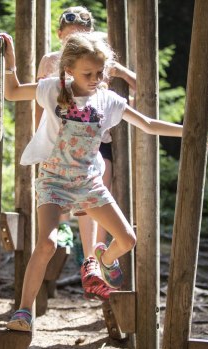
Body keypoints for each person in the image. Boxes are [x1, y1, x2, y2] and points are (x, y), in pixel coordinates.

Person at [0, 31, 208, 331]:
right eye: (88, 73)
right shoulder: (52, 89)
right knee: (46, 244)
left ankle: (104, 260)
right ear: (69, 70)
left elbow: (147, 124)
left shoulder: (108, 101)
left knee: (127, 240)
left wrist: (189, 130)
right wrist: (9, 62)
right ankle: (23, 311)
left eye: (100, 72)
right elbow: (12, 93)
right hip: (54, 180)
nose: (95, 78)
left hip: (89, 183)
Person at [36, 6, 137, 302]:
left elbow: (136, 81)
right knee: (70, 198)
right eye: (69, 37)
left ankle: (96, 258)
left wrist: (130, 91)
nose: (75, 41)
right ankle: (87, 254)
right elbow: (37, 100)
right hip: (62, 139)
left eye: (82, 34)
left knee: (97, 187)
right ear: (59, 37)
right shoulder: (52, 62)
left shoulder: (97, 56)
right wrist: (39, 142)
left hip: (96, 138)